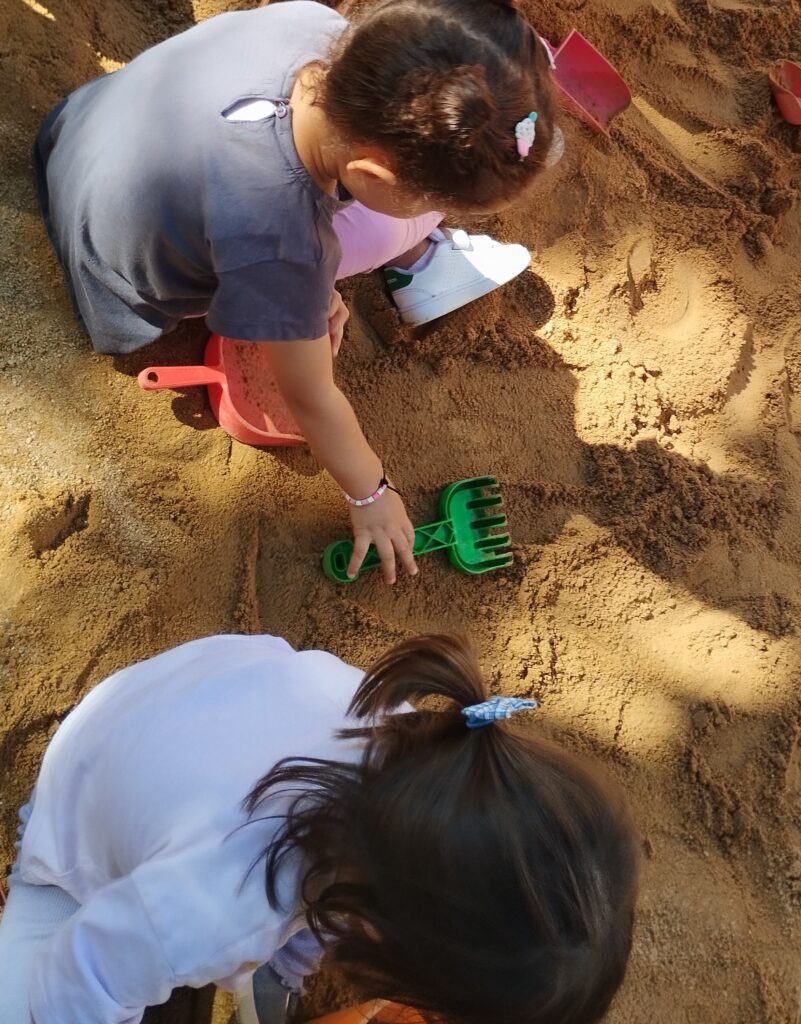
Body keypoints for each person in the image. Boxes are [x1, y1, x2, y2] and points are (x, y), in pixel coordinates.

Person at [34, 0, 561, 584]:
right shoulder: (285, 246)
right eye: (430, 198)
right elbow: (310, 396)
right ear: (374, 174)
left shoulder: (313, 23)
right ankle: (422, 253)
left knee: (336, 232)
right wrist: (370, 493)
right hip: (115, 280)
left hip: (76, 134)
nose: (433, 206)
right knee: (396, 229)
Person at [0, 632, 637, 1024]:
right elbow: (73, 988)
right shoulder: (212, 909)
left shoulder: (424, 751)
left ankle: (277, 973)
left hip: (168, 715)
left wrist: (287, 967)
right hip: (71, 858)